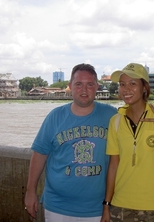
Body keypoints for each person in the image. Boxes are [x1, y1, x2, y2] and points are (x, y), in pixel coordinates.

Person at [25, 63, 117, 221]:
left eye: (89, 84)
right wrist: (30, 191)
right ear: (70, 86)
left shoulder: (112, 116)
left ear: (97, 87)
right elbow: (39, 154)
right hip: (58, 207)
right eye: (78, 84)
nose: (84, 90)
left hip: (97, 208)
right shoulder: (55, 117)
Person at [101, 63, 154, 222]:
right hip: (120, 204)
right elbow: (113, 166)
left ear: (144, 87)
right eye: (122, 84)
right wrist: (106, 205)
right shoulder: (115, 121)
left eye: (132, 84)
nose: (126, 89)